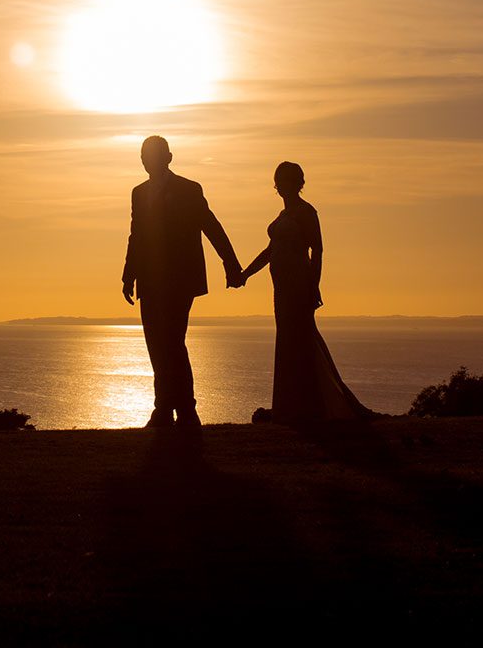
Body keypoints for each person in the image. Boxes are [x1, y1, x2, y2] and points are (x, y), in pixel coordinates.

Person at [235, 161, 375, 424]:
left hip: (298, 283)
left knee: (302, 339)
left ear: (298, 183)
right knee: (288, 341)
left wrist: (313, 286)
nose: (282, 186)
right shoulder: (283, 215)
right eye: (280, 181)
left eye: (288, 180)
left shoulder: (306, 212)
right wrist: (245, 274)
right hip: (281, 286)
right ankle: (292, 405)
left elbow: (318, 250)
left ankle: (314, 405)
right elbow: (269, 252)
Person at [122, 135, 242, 430]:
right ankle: (163, 410)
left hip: (179, 279)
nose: (145, 160)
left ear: (168, 157)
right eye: (142, 155)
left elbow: (210, 225)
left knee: (172, 343)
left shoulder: (189, 189)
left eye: (151, 154)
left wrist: (230, 263)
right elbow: (136, 235)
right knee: (156, 346)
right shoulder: (138, 193)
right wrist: (129, 275)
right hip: (149, 281)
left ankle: (186, 411)